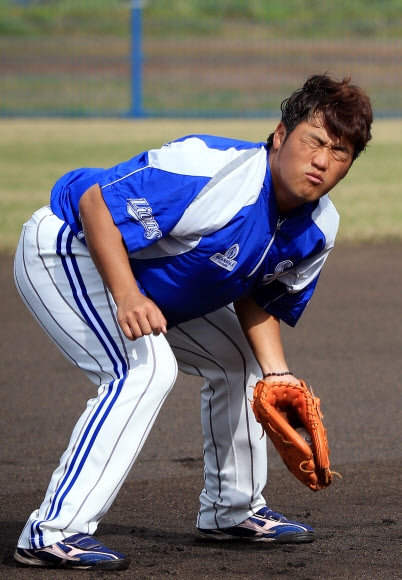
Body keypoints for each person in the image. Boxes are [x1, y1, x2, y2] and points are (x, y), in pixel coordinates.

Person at [13, 73, 372, 571]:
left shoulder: (318, 227)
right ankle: (53, 532)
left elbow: (259, 293)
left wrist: (277, 372)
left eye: (340, 153)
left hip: (148, 286)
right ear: (281, 134)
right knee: (143, 369)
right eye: (314, 140)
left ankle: (233, 511)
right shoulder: (210, 169)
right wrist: (127, 295)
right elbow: (95, 202)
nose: (322, 161)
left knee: (241, 362)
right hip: (66, 249)